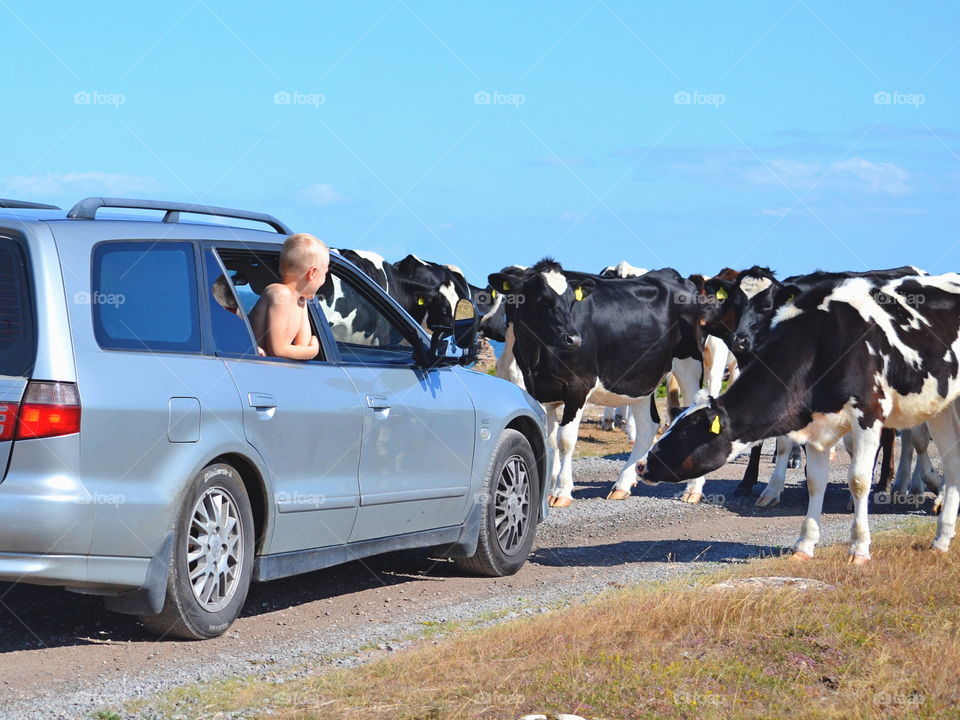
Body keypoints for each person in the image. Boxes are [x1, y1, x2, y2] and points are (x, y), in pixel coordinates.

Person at [248, 233, 328, 360]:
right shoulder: (279, 293)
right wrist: (312, 351)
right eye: (325, 274)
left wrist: (307, 348)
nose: (324, 281)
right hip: (255, 366)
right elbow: (278, 350)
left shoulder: (301, 300)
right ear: (312, 273)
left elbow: (302, 345)